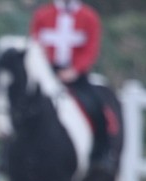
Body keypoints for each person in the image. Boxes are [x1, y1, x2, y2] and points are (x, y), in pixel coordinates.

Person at [30, 0, 112, 171]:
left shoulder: (89, 17)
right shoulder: (42, 15)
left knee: (96, 106)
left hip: (76, 76)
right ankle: (8, 156)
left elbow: (91, 49)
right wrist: (46, 71)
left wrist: (75, 70)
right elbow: (34, 46)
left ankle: (102, 153)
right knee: (22, 108)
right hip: (47, 75)